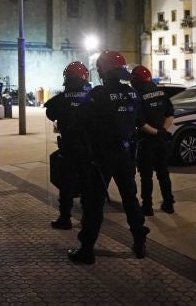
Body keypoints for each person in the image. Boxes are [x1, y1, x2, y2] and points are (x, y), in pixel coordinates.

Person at [68, 50, 148, 265]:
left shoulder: (98, 95)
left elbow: (78, 123)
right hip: (125, 155)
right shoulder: (132, 93)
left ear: (103, 70)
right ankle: (140, 242)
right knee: (130, 199)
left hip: (101, 158)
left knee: (94, 204)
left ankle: (86, 249)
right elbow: (139, 122)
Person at [44, 61, 92, 230]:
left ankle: (65, 218)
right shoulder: (93, 95)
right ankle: (88, 218)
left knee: (66, 184)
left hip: (69, 146)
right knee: (87, 183)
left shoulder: (60, 98)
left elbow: (50, 113)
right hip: (89, 148)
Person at [130, 65, 176, 215]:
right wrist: (163, 130)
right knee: (163, 172)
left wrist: (155, 132)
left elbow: (140, 123)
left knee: (146, 175)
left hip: (146, 141)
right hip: (162, 140)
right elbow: (170, 114)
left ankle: (147, 207)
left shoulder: (137, 94)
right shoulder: (161, 92)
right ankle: (169, 204)